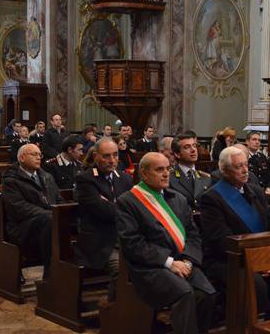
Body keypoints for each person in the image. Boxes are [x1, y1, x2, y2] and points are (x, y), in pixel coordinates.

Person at [117, 153, 216, 334]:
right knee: (185, 294)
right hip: (150, 267)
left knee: (207, 293)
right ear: (144, 174)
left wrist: (187, 261)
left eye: (168, 169)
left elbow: (194, 235)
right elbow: (133, 244)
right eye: (159, 170)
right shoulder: (128, 201)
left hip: (182, 262)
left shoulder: (177, 199)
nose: (165, 174)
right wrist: (170, 263)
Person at [200, 146, 270, 319]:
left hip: (259, 255)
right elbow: (221, 240)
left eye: (246, 165)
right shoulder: (212, 198)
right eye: (238, 166)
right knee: (255, 285)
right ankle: (247, 326)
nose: (244, 170)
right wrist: (256, 262)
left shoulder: (255, 190)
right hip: (228, 259)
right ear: (225, 171)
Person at [74, 138, 133, 300]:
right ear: (95, 156)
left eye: (115, 155)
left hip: (126, 238)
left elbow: (135, 208)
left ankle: (138, 312)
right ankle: (115, 311)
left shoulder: (125, 178)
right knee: (122, 270)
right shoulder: (85, 179)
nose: (112, 160)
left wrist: (116, 206)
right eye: (106, 156)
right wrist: (124, 210)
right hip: (101, 242)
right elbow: (102, 210)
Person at [2, 144, 64, 279]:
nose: (38, 157)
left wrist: (62, 212)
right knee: (50, 221)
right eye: (34, 154)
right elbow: (20, 208)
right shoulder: (11, 180)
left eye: (39, 155)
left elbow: (59, 200)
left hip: (47, 223)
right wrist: (51, 214)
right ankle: (50, 276)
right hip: (22, 227)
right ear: (22, 158)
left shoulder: (47, 176)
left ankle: (70, 271)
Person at [169, 132, 212, 213]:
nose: (193, 150)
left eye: (194, 145)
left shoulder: (206, 178)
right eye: (187, 147)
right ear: (177, 154)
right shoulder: (170, 178)